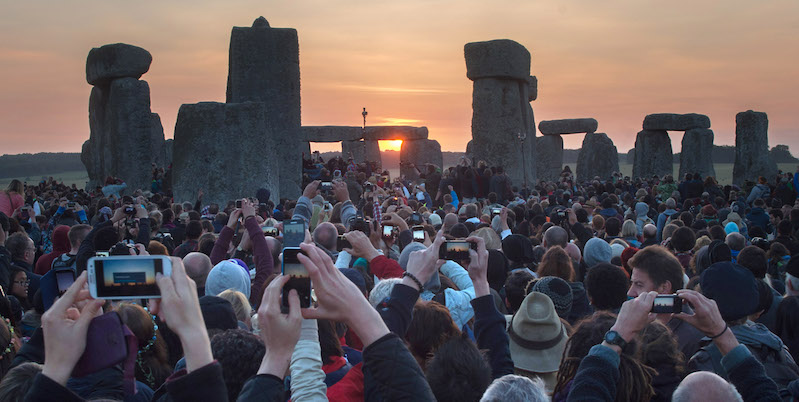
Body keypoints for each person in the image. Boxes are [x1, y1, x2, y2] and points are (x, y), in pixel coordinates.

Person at [626, 246, 704, 359]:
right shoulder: (638, 324)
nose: (630, 292)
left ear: (664, 287)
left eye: (638, 284)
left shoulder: (691, 338)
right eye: (631, 283)